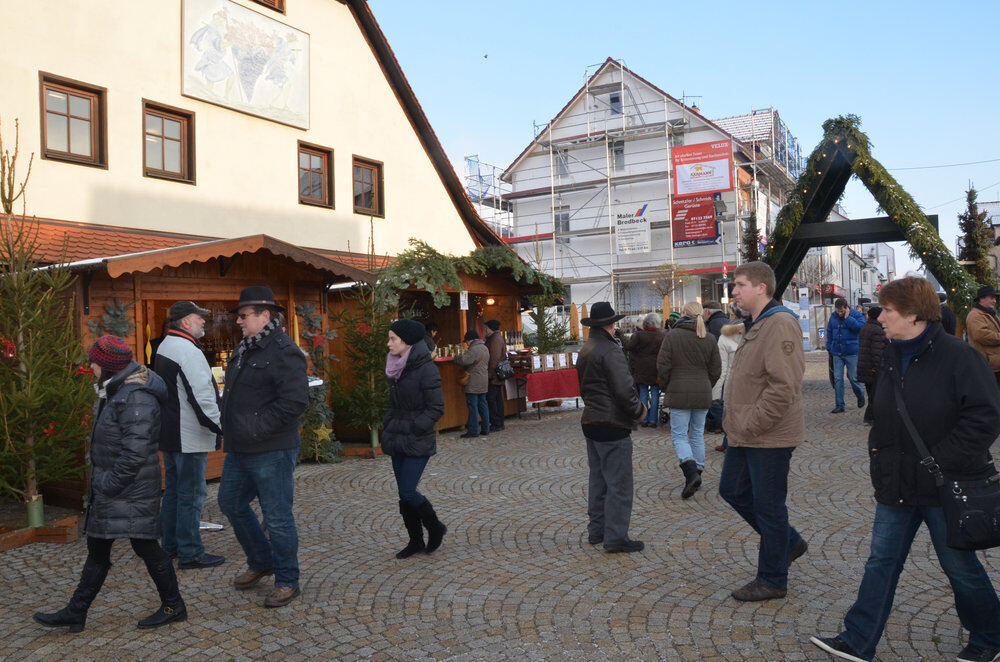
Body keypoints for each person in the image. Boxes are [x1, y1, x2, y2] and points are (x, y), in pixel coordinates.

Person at [811, 276, 1000, 662]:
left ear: (913, 315)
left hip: (945, 484)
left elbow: (984, 419)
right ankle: (858, 640)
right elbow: (884, 416)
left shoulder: (961, 357)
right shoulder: (890, 355)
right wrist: (879, 457)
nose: (879, 317)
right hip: (896, 483)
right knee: (881, 561)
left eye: (888, 311)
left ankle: (990, 637)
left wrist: (941, 461)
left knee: (959, 566)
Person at [34, 336, 185, 632]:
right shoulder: (114, 391)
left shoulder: (135, 396)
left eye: (94, 361)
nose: (90, 366)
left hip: (129, 489)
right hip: (114, 489)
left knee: (146, 548)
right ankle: (76, 612)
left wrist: (108, 483)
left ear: (107, 367)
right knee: (98, 550)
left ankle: (173, 605)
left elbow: (137, 451)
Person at [719, 261, 808, 602]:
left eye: (740, 285)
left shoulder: (780, 323)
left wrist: (751, 422)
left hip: (767, 435)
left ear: (761, 288)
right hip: (745, 433)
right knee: (733, 491)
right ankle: (789, 542)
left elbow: (783, 387)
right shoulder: (756, 323)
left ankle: (772, 579)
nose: (735, 291)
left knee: (769, 508)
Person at [217, 286, 309, 608]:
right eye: (239, 316)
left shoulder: (284, 351)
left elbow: (295, 402)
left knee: (277, 516)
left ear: (265, 315)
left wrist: (257, 427)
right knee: (229, 501)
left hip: (272, 449)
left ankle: (287, 580)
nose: (239, 321)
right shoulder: (247, 348)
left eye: (244, 315)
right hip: (240, 448)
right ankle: (261, 559)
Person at [154, 301, 225, 570]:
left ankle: (170, 546)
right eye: (199, 318)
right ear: (185, 322)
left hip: (172, 434)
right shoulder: (187, 350)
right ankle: (191, 552)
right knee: (191, 495)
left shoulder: (166, 345)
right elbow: (203, 398)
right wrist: (221, 427)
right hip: (189, 436)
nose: (204, 322)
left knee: (173, 492)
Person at [577, 302, 647, 553]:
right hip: (612, 424)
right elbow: (624, 389)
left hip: (591, 420)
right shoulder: (610, 350)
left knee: (598, 481)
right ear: (611, 323)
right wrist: (639, 411)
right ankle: (616, 537)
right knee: (619, 485)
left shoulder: (586, 348)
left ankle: (597, 532)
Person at [382, 319, 447, 559]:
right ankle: (415, 540)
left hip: (416, 438)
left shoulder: (426, 368)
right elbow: (394, 404)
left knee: (409, 491)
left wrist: (413, 427)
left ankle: (436, 527)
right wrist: (388, 422)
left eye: (392, 339)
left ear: (406, 341)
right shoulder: (396, 366)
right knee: (403, 494)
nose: (388, 344)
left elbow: (436, 408)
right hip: (396, 436)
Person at [657, 301, 721, 499]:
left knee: (679, 435)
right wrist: (705, 384)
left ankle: (691, 471)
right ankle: (697, 471)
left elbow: (663, 365)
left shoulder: (672, 336)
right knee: (697, 434)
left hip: (679, 390)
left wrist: (667, 386)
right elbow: (716, 369)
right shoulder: (709, 338)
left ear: (684, 313)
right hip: (702, 390)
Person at [624, 312, 665, 428]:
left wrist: (621, 337)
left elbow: (628, 347)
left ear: (646, 323)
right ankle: (653, 420)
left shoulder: (639, 335)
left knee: (643, 393)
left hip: (642, 368)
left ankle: (644, 418)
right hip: (656, 368)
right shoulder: (663, 335)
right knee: (655, 393)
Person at [826, 298, 866, 414]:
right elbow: (829, 331)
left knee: (853, 377)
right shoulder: (833, 316)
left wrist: (848, 318)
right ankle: (840, 405)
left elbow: (859, 328)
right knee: (838, 379)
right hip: (837, 352)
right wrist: (829, 346)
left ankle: (860, 395)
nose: (839, 313)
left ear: (846, 308)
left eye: (842, 311)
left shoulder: (856, 315)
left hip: (852, 352)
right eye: (838, 311)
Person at [713, 319, 745, 452]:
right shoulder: (752, 334)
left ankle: (732, 438)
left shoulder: (724, 338)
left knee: (723, 411)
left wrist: (715, 391)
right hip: (748, 381)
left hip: (732, 382)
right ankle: (727, 442)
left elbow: (722, 367)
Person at [454, 329, 490, 438]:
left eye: (467, 342)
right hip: (483, 380)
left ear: (470, 340)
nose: (466, 344)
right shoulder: (485, 348)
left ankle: (473, 431)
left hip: (473, 381)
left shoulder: (474, 349)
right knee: (483, 404)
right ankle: (486, 428)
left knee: (473, 406)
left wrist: (456, 357)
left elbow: (465, 361)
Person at [856, 306, 886, 426]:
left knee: (871, 392)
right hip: (873, 368)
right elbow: (877, 352)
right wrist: (879, 367)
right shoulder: (877, 330)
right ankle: (870, 417)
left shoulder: (865, 328)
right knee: (876, 394)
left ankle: (872, 416)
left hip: (864, 367)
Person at [965, 285, 1000, 388]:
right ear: (981, 298)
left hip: (995, 364)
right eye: (991, 298)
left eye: (995, 298)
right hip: (988, 365)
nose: (994, 301)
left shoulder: (990, 313)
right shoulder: (975, 315)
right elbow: (981, 335)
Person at [484, 319, 507, 431]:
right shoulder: (497, 338)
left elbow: (494, 359)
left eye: (486, 328)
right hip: (497, 374)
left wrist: (490, 374)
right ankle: (499, 423)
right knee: (497, 398)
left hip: (494, 374)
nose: (485, 330)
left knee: (492, 399)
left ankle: (496, 423)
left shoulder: (494, 340)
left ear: (490, 328)